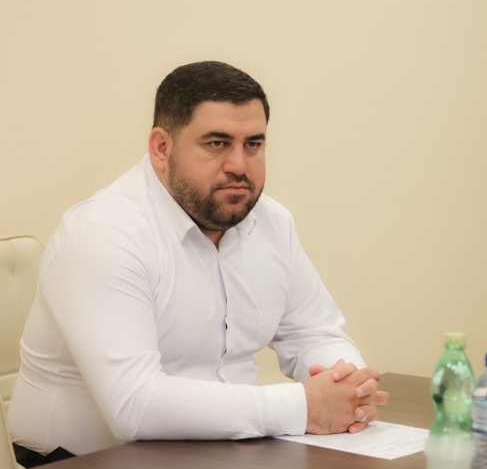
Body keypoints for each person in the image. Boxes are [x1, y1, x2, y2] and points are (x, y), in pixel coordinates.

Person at [9, 61, 388, 466]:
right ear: (162, 148)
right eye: (217, 143)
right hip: (84, 461)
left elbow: (315, 334)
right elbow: (136, 405)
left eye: (253, 144)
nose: (239, 165)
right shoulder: (104, 235)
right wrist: (304, 406)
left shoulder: (272, 223)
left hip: (226, 452)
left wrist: (348, 389)